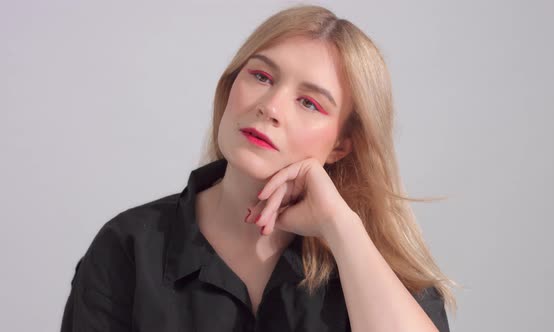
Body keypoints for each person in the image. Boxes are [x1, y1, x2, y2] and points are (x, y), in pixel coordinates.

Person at [60, 4, 457, 332]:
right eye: (262, 76)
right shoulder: (128, 248)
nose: (271, 106)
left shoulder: (380, 271)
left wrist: (341, 226)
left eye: (309, 103)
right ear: (231, 85)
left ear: (341, 145)